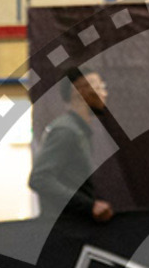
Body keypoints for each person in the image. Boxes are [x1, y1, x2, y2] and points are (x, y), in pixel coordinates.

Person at [28, 67, 115, 223]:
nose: (104, 93)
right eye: (98, 87)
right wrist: (89, 205)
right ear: (79, 92)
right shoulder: (66, 131)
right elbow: (40, 178)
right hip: (64, 230)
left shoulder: (79, 130)